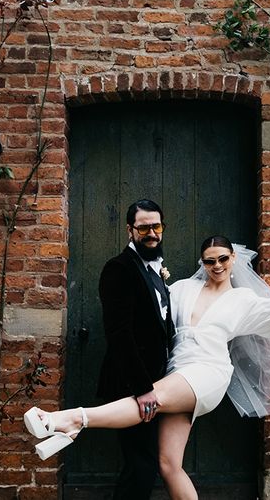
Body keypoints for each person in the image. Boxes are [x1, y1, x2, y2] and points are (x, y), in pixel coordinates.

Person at [24, 235, 270, 500]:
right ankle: (72, 426)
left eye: (223, 259)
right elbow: (151, 308)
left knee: (153, 396)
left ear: (234, 259)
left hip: (208, 372)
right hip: (177, 371)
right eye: (210, 260)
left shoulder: (244, 298)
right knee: (168, 464)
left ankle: (74, 420)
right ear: (202, 263)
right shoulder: (181, 289)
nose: (217, 266)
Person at [96, 199, 175, 500]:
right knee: (141, 465)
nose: (151, 233)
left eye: (156, 227)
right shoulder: (119, 268)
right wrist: (142, 388)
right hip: (131, 385)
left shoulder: (154, 269)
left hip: (156, 383)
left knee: (143, 464)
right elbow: (119, 334)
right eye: (143, 228)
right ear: (130, 230)